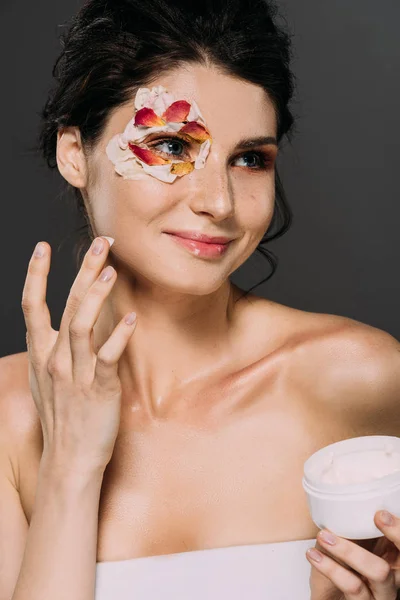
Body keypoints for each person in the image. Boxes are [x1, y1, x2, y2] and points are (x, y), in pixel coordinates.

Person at [1, 0, 400, 598]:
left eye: (248, 159)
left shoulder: (359, 378)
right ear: (73, 155)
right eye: (169, 146)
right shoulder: (9, 423)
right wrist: (70, 466)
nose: (219, 201)